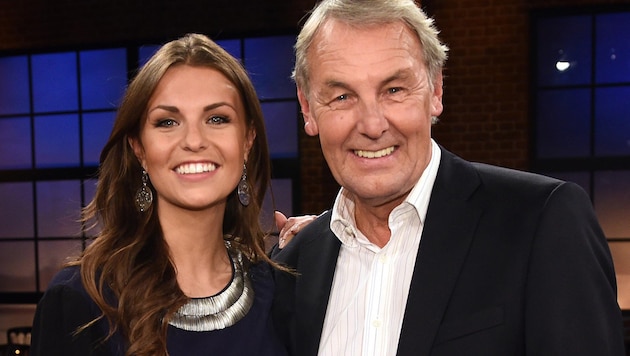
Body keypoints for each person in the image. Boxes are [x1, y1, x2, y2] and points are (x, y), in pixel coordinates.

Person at [271, 0, 627, 355]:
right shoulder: (293, 266)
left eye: (394, 90)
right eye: (342, 96)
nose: (373, 125)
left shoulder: (540, 222)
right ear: (307, 108)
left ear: (436, 91)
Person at [31, 33, 288, 356]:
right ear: (139, 148)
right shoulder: (81, 301)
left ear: (248, 140)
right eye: (167, 122)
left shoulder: (279, 292)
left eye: (217, 118)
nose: (194, 140)